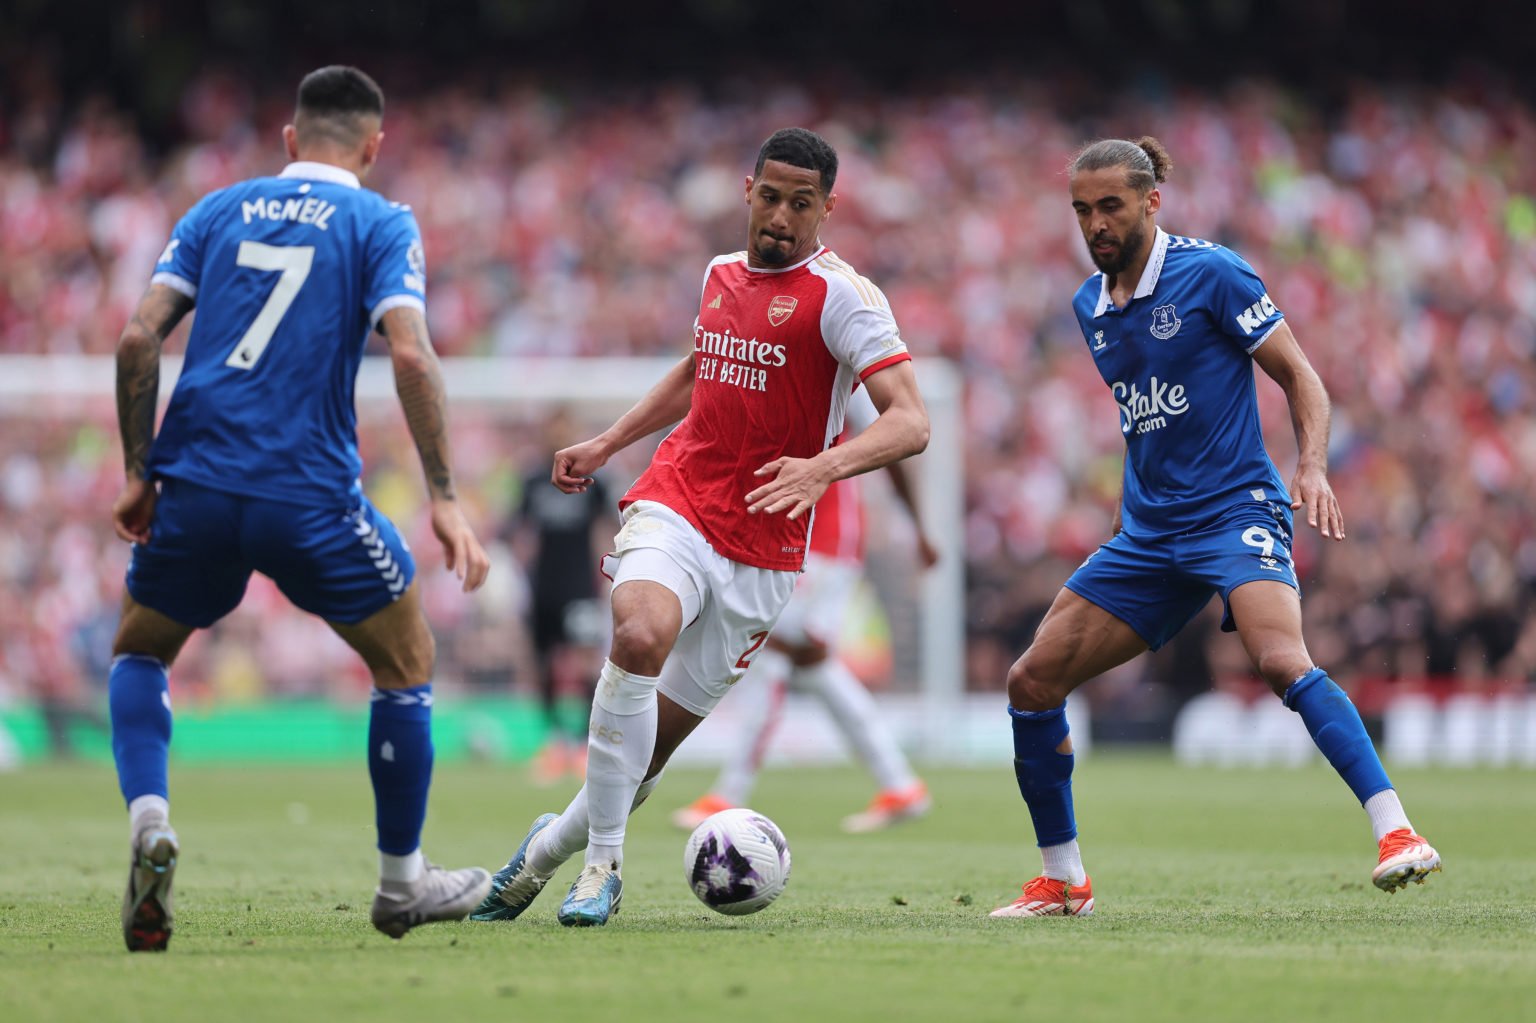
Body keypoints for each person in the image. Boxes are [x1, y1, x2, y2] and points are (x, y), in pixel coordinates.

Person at [472, 127, 929, 927]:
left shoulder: (844, 297)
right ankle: (604, 869)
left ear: (828, 207)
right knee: (639, 632)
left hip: (764, 553)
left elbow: (911, 422)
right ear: (747, 189)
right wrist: (610, 440)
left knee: (641, 759)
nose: (782, 216)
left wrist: (821, 469)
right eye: (771, 196)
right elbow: (698, 370)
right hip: (679, 500)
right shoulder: (719, 274)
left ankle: (545, 853)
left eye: (802, 202)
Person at [992, 137, 1441, 918]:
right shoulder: (1089, 305)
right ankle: (1064, 880)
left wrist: (1311, 465)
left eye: (1110, 207)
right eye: (1082, 211)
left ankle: (1396, 831)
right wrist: (1125, 514)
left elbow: (1302, 376)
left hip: (1235, 510)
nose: (1095, 224)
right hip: (1148, 534)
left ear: (1150, 201)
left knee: (1277, 658)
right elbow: (1146, 421)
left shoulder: (1214, 274)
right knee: (1031, 682)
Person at [108, 66, 493, 951]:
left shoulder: (217, 211)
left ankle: (151, 822)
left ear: (289, 140)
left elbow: (137, 336)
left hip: (195, 479)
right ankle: (402, 883)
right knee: (406, 657)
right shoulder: (380, 220)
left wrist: (138, 469)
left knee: (140, 649)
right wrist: (442, 496)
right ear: (373, 146)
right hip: (306, 490)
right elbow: (410, 354)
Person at [671, 388, 939, 834]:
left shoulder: (846, 374)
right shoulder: (779, 361)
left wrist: (917, 527)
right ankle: (900, 784)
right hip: (789, 530)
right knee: (810, 661)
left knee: (768, 650)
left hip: (827, 537)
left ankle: (729, 793)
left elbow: (895, 444)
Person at [511, 409, 611, 784]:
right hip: (544, 587)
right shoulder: (534, 480)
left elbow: (604, 528)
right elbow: (522, 532)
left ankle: (586, 745)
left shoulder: (592, 481)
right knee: (543, 663)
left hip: (581, 585)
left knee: (587, 663)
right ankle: (555, 741)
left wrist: (606, 579)